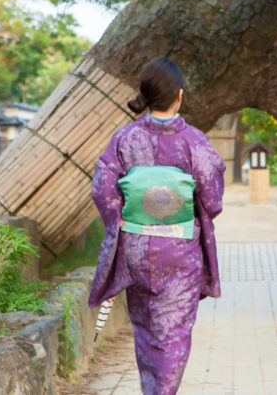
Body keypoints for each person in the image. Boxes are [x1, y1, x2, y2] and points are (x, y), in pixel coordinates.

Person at [87, 57, 226, 395]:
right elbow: (212, 197)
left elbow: (103, 189)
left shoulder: (124, 139)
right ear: (179, 95)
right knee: (172, 335)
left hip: (136, 247)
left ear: (146, 94)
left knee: (146, 330)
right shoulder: (194, 141)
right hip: (179, 251)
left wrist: (124, 220)